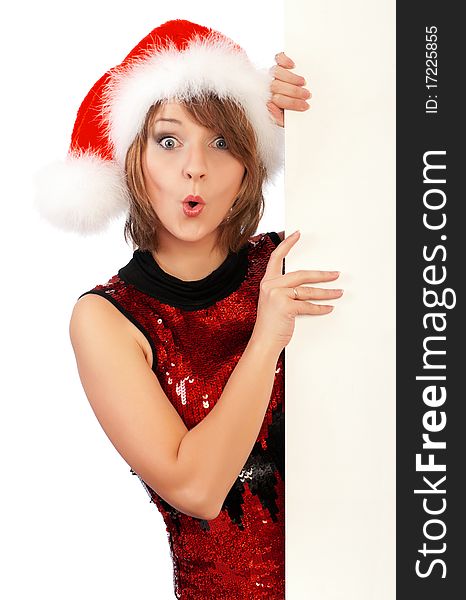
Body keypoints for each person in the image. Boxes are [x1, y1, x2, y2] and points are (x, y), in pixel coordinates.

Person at [35, 19, 343, 599]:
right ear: (133, 158)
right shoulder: (107, 320)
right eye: (169, 140)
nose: (195, 167)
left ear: (250, 163)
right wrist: (266, 337)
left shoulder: (291, 258)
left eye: (222, 141)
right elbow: (196, 487)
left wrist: (327, 111)